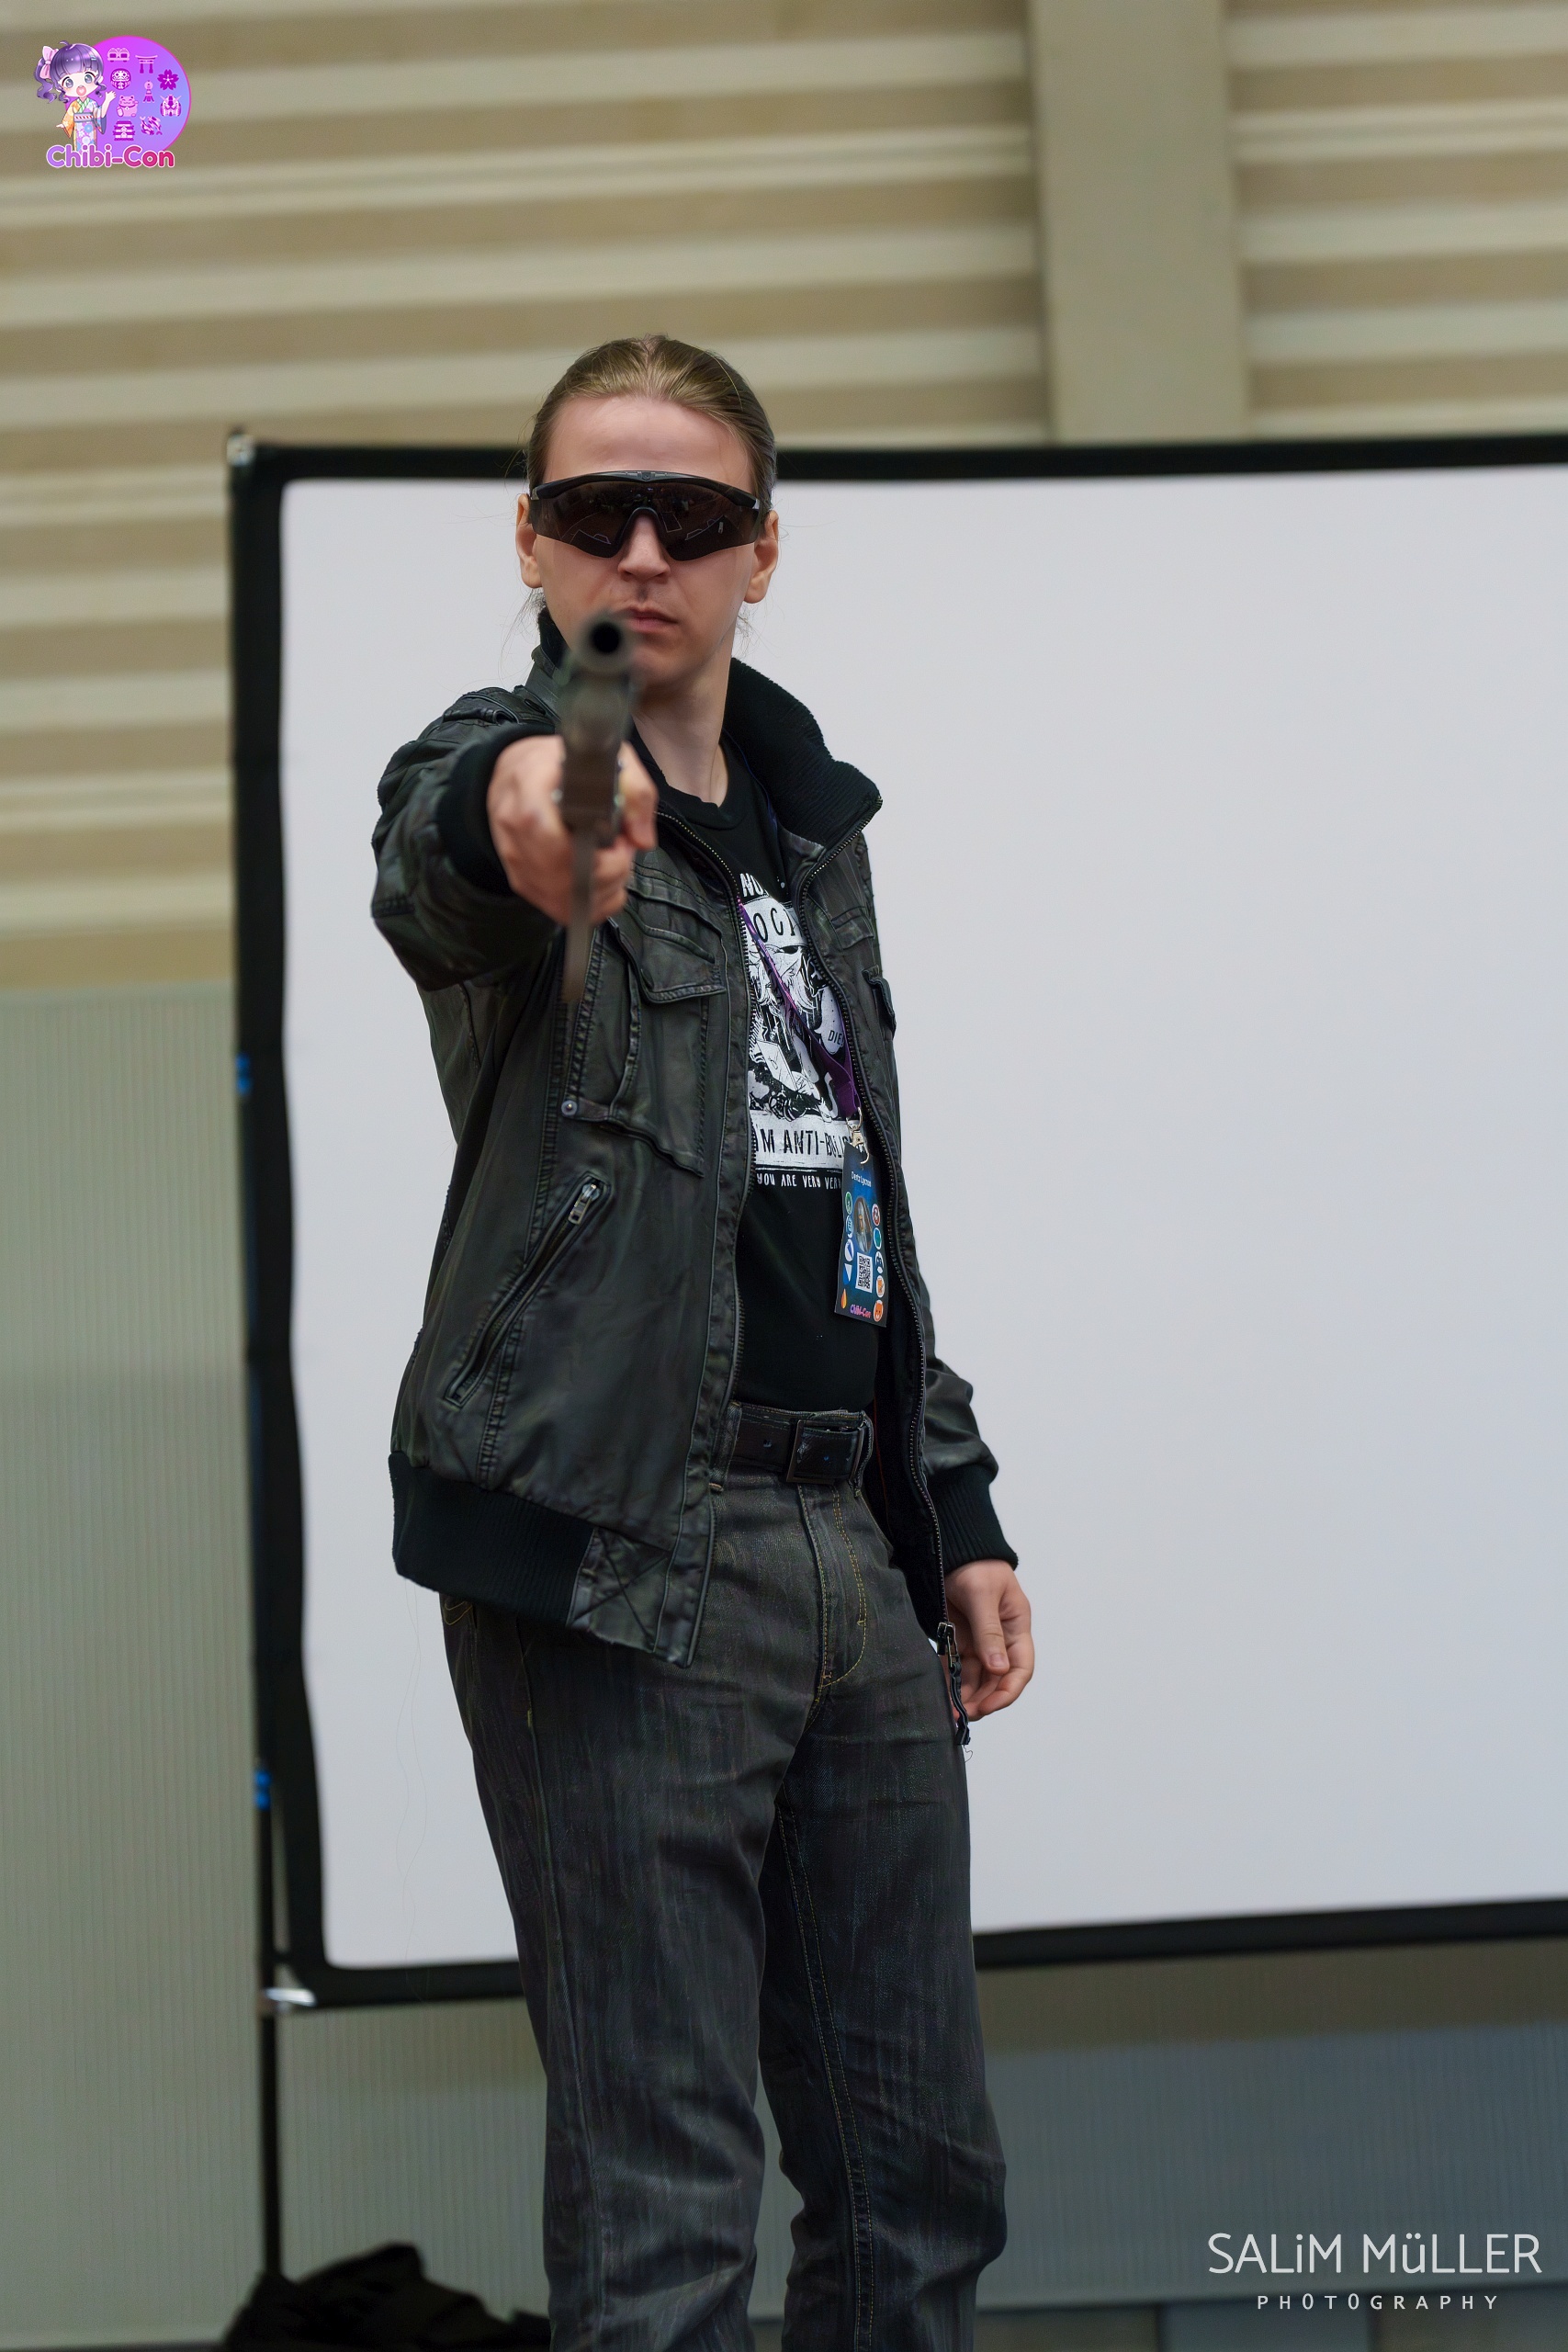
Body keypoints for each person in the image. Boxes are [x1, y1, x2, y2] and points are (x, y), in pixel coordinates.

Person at [371, 334, 1033, 2351]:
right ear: (532, 540)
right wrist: (534, 809)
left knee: (920, 2187)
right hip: (621, 1548)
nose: (642, 553)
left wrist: (951, 1503)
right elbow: (459, 841)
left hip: (848, 1539)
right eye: (597, 512)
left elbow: (853, 1179)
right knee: (665, 2209)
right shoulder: (517, 756)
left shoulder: (818, 824)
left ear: (764, 546)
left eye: (692, 515)